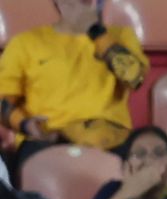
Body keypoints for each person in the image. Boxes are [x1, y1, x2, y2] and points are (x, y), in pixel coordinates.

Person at [0, 0, 147, 167]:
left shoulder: (120, 36)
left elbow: (135, 78)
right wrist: (26, 124)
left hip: (109, 139)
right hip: (48, 139)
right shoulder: (25, 43)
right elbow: (2, 101)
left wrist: (96, 32)